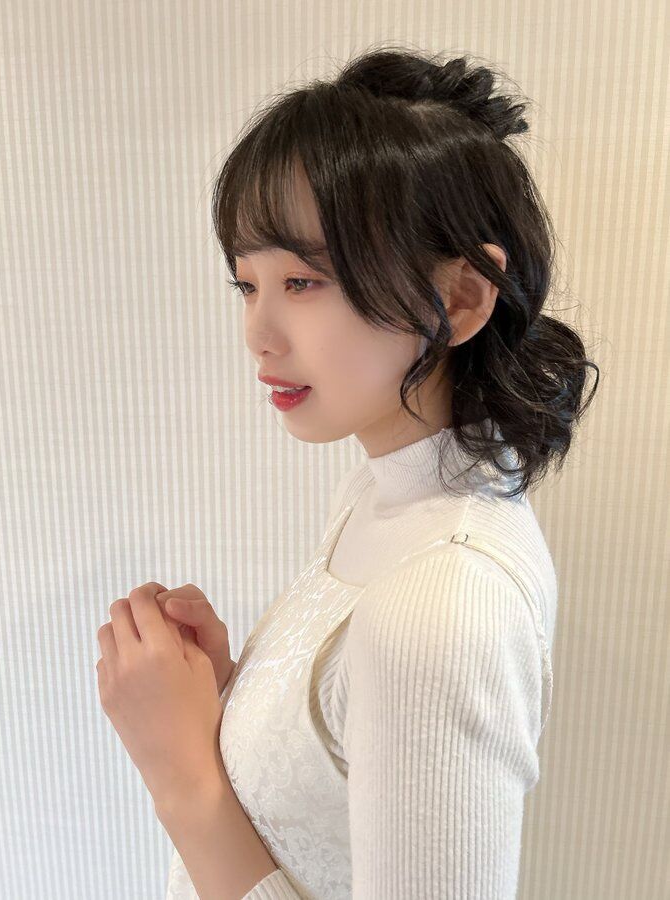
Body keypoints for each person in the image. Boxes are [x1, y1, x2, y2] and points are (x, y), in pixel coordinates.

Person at [167, 44, 599, 899]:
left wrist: (177, 769)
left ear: (461, 298)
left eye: (302, 281)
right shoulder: (381, 492)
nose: (258, 334)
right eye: (247, 284)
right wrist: (227, 698)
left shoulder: (444, 604)